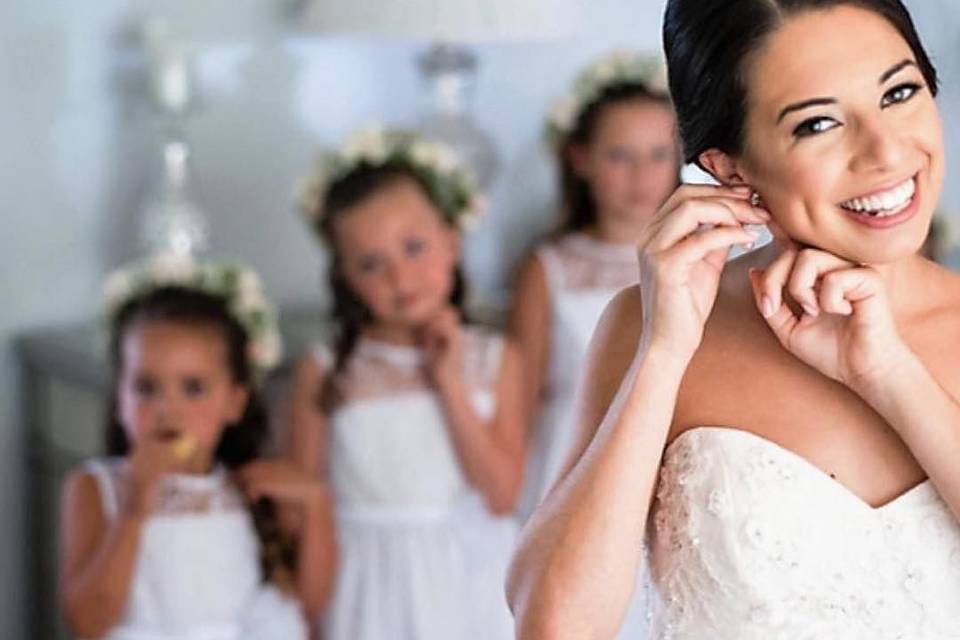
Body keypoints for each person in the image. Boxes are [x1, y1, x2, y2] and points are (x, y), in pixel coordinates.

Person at [507, 2, 960, 638]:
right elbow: (555, 627)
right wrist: (663, 352)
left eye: (900, 91)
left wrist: (890, 375)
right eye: (819, 123)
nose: (886, 152)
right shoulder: (654, 329)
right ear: (729, 167)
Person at [291, 126, 525, 639]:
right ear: (345, 277)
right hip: (364, 585)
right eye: (371, 264)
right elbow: (301, 512)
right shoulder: (326, 371)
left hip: (467, 581)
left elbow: (502, 495)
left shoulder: (494, 358)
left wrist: (449, 384)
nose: (400, 278)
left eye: (414, 247)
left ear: (450, 239)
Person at [59, 255, 333, 639]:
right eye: (145, 388)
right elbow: (88, 622)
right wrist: (136, 508)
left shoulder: (249, 490)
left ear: (235, 402)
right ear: (119, 399)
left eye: (193, 388)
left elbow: (309, 610)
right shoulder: (95, 488)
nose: (167, 409)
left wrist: (317, 504)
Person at [511, 50, 679, 523]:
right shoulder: (548, 268)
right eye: (619, 156)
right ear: (581, 160)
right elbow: (521, 398)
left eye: (658, 154)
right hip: (573, 450)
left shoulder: (713, 254)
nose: (641, 174)